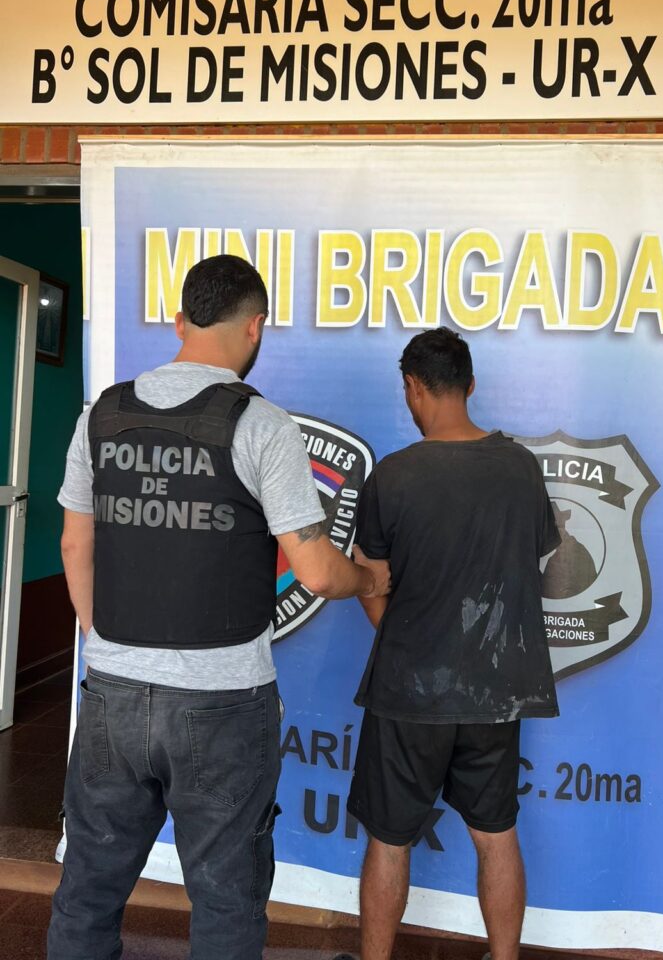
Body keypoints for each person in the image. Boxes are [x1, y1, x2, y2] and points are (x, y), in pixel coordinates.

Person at [47, 254, 390, 960]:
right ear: (255, 327)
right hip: (222, 702)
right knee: (226, 898)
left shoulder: (100, 415)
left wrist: (100, 635)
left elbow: (75, 542)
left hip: (111, 691)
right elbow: (316, 571)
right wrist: (368, 581)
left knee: (87, 889)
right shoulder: (262, 424)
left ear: (181, 323)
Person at [348, 327, 559, 960]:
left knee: (389, 841)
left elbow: (370, 581)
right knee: (497, 836)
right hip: (497, 691)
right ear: (470, 385)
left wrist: (413, 641)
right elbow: (534, 562)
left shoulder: (392, 475)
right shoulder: (521, 467)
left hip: (409, 690)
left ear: (412, 387)